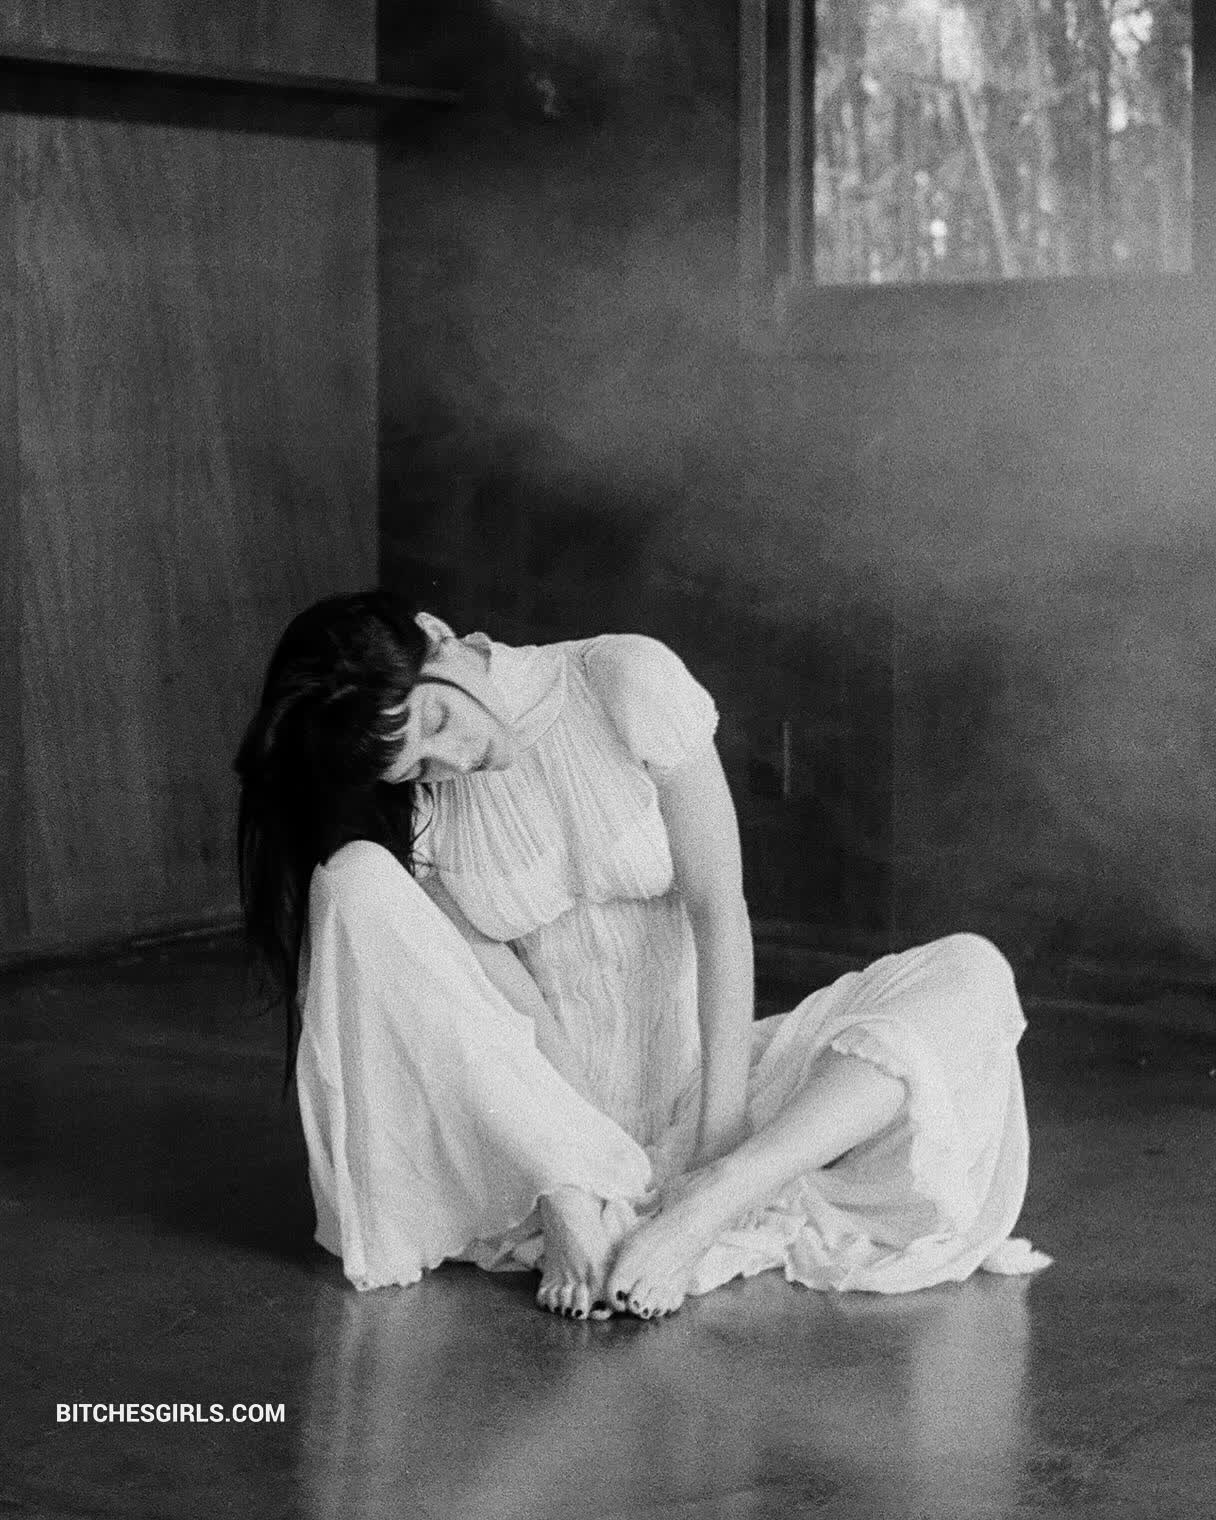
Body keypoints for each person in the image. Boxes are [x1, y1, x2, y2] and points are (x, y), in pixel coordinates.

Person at [235, 590, 1049, 1320]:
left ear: (438, 636)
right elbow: (508, 1007)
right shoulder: (417, 813)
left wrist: (717, 1140)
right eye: (413, 765)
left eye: (439, 724)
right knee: (353, 878)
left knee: (972, 970)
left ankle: (720, 1196)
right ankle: (576, 1199)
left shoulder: (625, 681)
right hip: (539, 1128)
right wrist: (579, 1166)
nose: (448, 764)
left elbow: (719, 912)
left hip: (703, 1090)